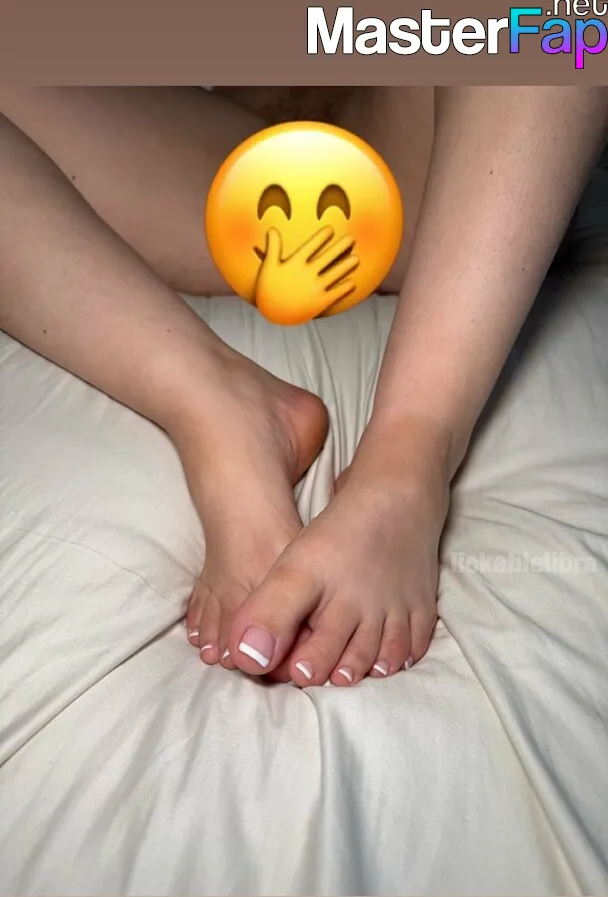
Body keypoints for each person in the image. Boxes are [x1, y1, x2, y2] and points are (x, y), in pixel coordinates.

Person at [1, 85, 607, 689]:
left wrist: (415, 439)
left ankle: (408, 454)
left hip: (433, 153)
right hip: (226, 156)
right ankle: (217, 400)